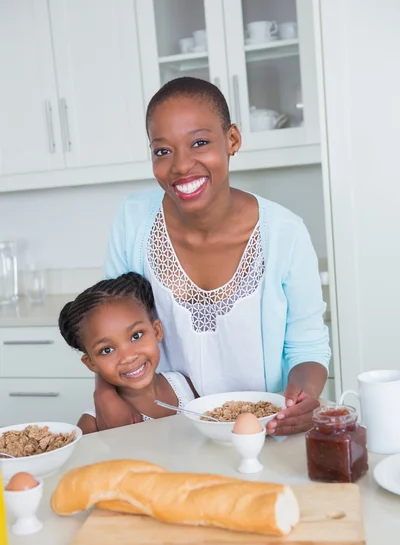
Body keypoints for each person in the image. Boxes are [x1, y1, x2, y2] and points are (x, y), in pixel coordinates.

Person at [95, 76, 331, 436]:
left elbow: (308, 346)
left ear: (232, 140)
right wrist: (103, 392)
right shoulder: (132, 222)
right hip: (164, 430)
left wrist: (303, 396)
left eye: (200, 142)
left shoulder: (286, 234)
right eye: (163, 150)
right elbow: (105, 323)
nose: (181, 165)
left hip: (263, 433)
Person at [58, 272, 196, 434]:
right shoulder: (91, 425)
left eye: (136, 336)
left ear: (156, 331)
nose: (128, 357)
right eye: (106, 350)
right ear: (91, 363)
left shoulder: (186, 385)